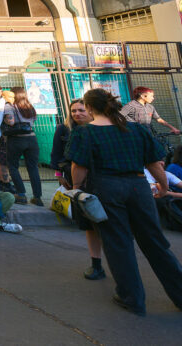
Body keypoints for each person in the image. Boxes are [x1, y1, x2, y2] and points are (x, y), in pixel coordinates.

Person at [68, 88, 182, 316]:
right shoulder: (137, 129)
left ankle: (132, 298)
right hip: (138, 186)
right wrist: (164, 185)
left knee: (118, 244)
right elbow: (154, 163)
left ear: (89, 108)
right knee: (155, 242)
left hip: (106, 187)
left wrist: (77, 188)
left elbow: (79, 166)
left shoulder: (84, 133)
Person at [52, 98, 105, 280]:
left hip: (101, 180)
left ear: (90, 111)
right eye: (74, 111)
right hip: (76, 181)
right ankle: (96, 264)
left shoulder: (101, 129)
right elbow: (56, 155)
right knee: (88, 224)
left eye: (81, 110)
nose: (77, 114)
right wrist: (60, 176)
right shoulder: (64, 129)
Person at [3, 87, 43, 206]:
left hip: (16, 139)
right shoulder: (29, 107)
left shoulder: (9, 106)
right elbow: (33, 121)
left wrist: (5, 119)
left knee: (13, 166)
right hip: (32, 139)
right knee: (33, 168)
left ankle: (21, 195)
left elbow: (10, 122)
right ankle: (37, 197)